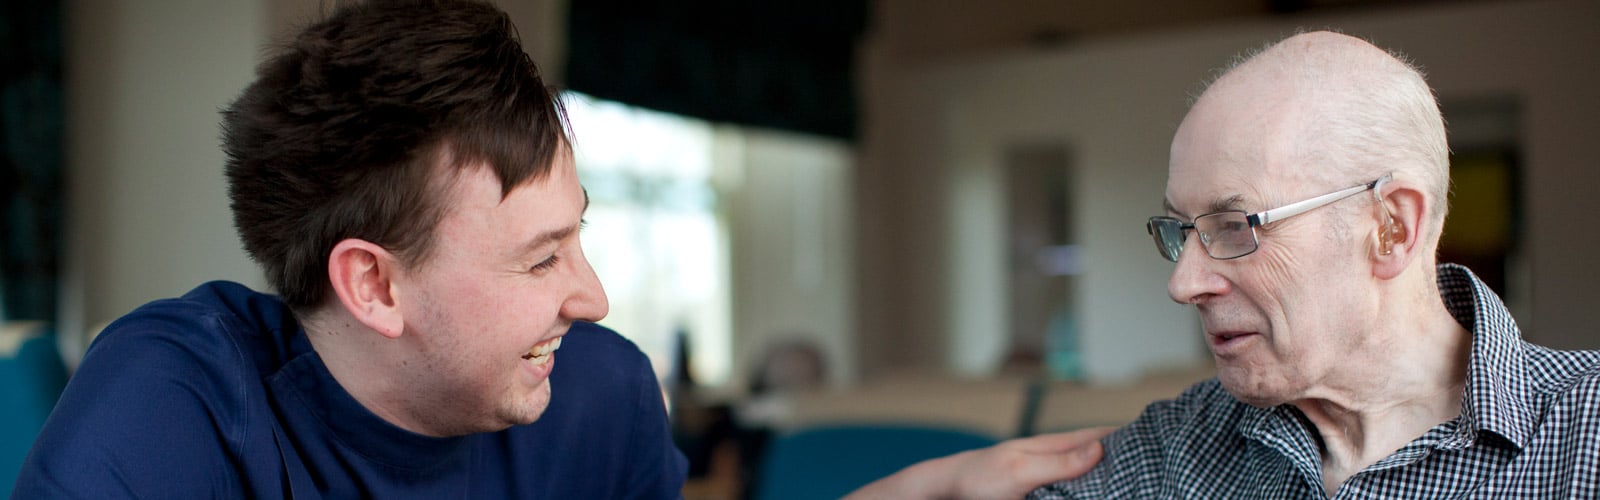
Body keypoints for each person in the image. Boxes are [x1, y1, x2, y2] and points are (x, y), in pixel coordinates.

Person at [13, 1, 1108, 498]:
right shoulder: (174, 397)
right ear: (372, 283)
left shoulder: (602, 395)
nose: (591, 296)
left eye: (576, 235)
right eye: (539, 259)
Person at [1031, 31, 1600, 498]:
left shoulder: (1586, 434)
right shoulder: (1179, 448)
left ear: (1391, 228)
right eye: (1182, 230)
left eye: (1235, 225)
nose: (1183, 285)